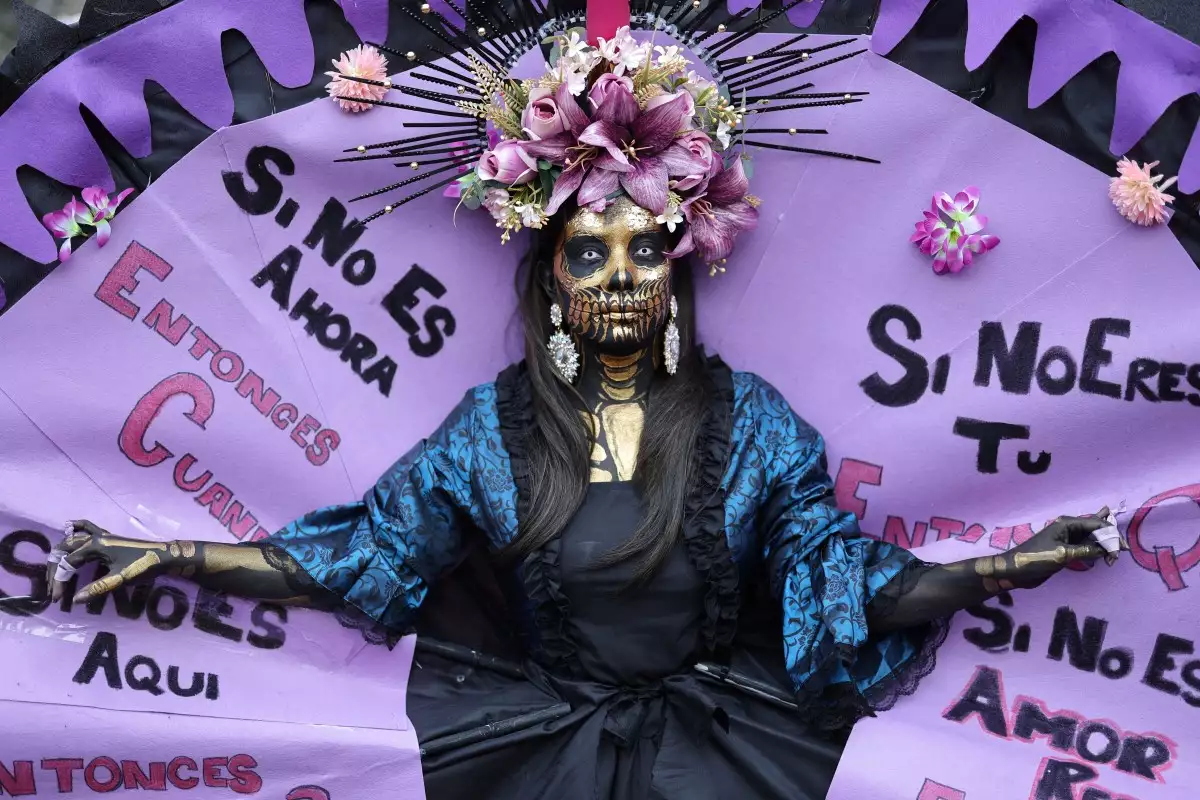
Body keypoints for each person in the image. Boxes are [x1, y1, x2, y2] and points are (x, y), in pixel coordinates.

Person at [48, 16, 1124, 800]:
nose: (619, 273)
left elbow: (849, 590)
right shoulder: (492, 434)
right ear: (553, 278)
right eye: (589, 252)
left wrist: (1019, 560)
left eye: (643, 248)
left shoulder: (751, 428)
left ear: (678, 269)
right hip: (537, 759)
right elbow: (351, 560)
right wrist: (177, 556)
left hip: (726, 756)